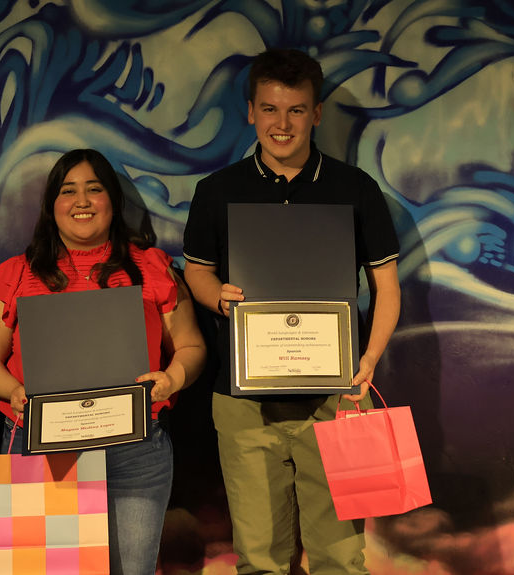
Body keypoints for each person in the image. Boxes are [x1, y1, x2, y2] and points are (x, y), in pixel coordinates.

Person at [182, 48, 401, 573]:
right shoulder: (216, 192)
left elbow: (387, 287)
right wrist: (217, 296)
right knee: (259, 561)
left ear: (317, 113)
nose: (283, 125)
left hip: (336, 395)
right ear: (251, 111)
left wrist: (367, 361)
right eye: (271, 110)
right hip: (244, 400)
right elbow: (197, 271)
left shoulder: (356, 189)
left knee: (341, 559)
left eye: (296, 110)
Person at [0, 148, 207, 574]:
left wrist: (172, 378)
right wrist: (12, 390)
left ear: (112, 202)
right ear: (51, 205)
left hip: (135, 450)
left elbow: (190, 346)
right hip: (40, 446)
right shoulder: (16, 274)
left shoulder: (151, 268)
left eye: (94, 189)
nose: (81, 201)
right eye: (68, 190)